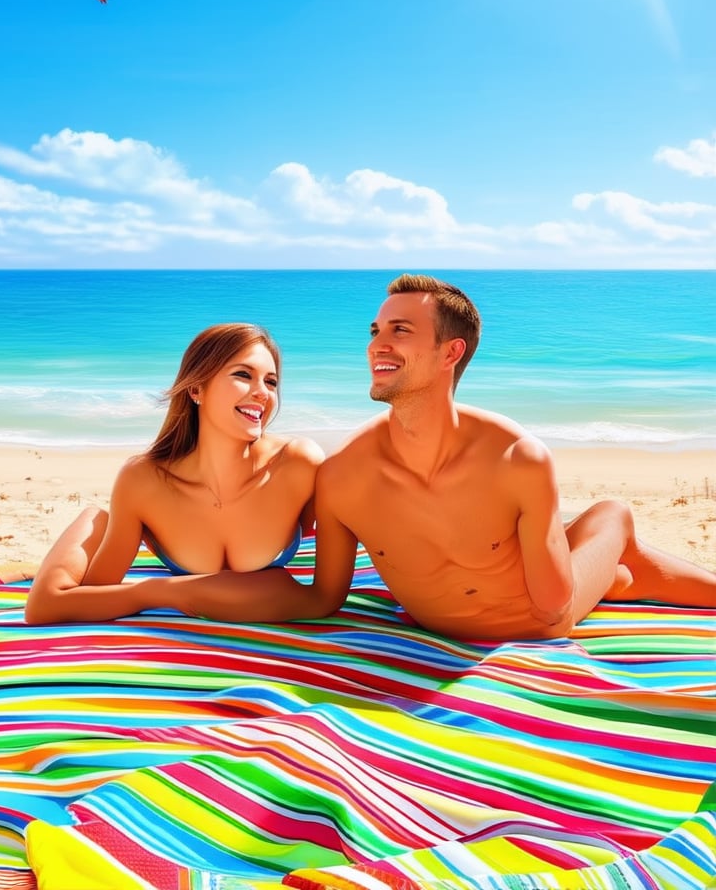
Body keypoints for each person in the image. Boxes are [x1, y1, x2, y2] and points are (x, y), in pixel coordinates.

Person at [161, 274, 716, 641]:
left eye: (400, 331)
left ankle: (612, 523)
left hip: (543, 622)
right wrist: (166, 592)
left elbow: (553, 608)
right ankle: (623, 563)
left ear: (451, 352)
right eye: (376, 330)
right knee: (619, 576)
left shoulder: (517, 458)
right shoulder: (344, 473)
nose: (378, 343)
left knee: (610, 518)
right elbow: (323, 597)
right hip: (486, 609)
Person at [25, 323, 324, 625]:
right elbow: (56, 605)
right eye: (243, 375)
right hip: (118, 522)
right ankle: (95, 520)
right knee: (99, 521)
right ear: (196, 389)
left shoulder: (296, 463)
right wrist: (161, 591)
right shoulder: (143, 481)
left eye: (271, 382)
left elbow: (318, 585)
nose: (262, 393)